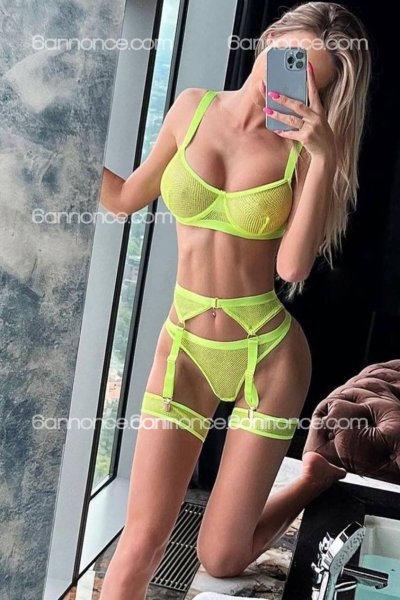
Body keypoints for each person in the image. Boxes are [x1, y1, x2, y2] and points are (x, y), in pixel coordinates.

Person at [99, 2, 371, 598]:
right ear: (269, 39)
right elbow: (123, 199)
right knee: (139, 543)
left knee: (220, 557)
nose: (292, 80)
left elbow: (291, 267)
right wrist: (54, 147)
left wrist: (323, 157)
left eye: (311, 79)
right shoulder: (192, 108)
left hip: (267, 357)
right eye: (291, 58)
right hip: (184, 347)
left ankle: (311, 478)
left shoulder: (302, 152)